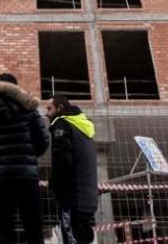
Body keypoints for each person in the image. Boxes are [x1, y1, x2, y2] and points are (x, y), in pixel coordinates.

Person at [0, 73, 50, 244]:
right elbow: (42, 142)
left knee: (4, 229)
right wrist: (27, 155)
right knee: (33, 227)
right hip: (26, 176)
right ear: (16, 87)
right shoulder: (29, 108)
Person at [47, 95, 98, 244]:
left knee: (72, 239)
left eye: (49, 108)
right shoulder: (82, 126)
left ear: (60, 108)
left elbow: (61, 162)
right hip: (87, 197)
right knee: (83, 238)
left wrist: (55, 188)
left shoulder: (61, 124)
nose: (46, 113)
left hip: (72, 198)